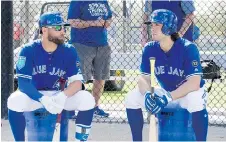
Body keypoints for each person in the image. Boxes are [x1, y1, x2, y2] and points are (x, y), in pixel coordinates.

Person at [7, 11, 95, 141]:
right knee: (14, 100)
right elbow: (23, 84)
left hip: (58, 96)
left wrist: (63, 95)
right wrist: (42, 99)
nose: (62, 31)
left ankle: (80, 140)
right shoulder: (28, 50)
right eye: (58, 28)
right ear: (44, 30)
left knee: (87, 99)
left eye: (64, 28)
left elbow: (77, 82)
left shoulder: (69, 50)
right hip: (34, 97)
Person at [125, 9, 208, 141]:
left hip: (186, 93)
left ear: (168, 27)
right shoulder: (150, 48)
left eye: (157, 24)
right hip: (166, 93)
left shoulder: (188, 48)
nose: (152, 28)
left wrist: (168, 97)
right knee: (132, 97)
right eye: (151, 25)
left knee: (195, 99)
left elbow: (194, 83)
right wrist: (147, 94)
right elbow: (143, 79)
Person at [67, 0, 113, 117]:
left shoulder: (103, 1)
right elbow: (72, 22)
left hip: (102, 44)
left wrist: (106, 22)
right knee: (79, 77)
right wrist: (93, 23)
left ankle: (94, 106)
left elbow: (109, 19)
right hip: (82, 44)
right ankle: (73, 107)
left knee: (100, 77)